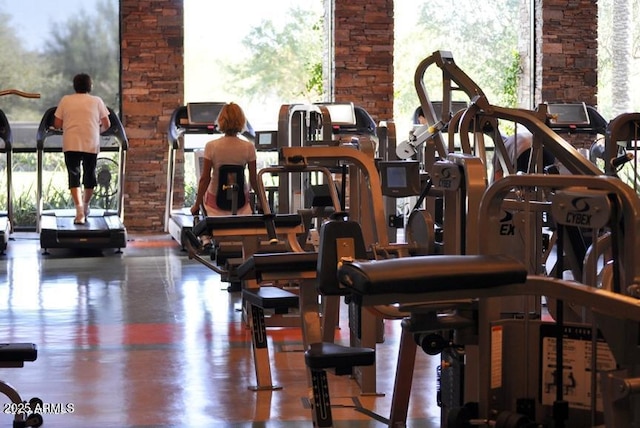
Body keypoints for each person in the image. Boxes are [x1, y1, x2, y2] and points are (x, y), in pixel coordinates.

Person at [54, 73, 111, 225]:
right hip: (90, 142)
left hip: (71, 142)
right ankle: (85, 207)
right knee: (89, 175)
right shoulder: (97, 101)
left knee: (74, 175)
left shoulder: (66, 100)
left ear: (74, 86)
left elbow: (57, 124)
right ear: (90, 86)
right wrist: (97, 131)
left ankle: (79, 212)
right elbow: (107, 124)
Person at [190, 102, 259, 217]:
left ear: (221, 120)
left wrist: (196, 205)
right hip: (241, 206)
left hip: (214, 206)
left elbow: (205, 179)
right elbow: (253, 180)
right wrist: (263, 202)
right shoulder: (249, 147)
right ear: (242, 121)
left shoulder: (211, 146)